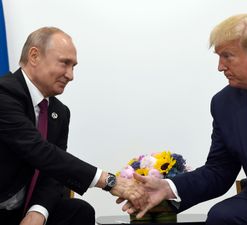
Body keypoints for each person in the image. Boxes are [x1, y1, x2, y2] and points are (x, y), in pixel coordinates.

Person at [120, 14, 247, 225]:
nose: (220, 67)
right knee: (222, 217)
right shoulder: (225, 103)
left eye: (227, 56)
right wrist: (168, 187)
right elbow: (219, 170)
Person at [0, 27, 147, 225]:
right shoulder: (4, 94)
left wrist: (38, 212)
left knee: (79, 211)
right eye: (64, 63)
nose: (70, 75)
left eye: (73, 66)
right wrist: (108, 181)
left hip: (22, 210)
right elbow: (38, 150)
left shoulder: (59, 112)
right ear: (34, 56)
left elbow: (53, 173)